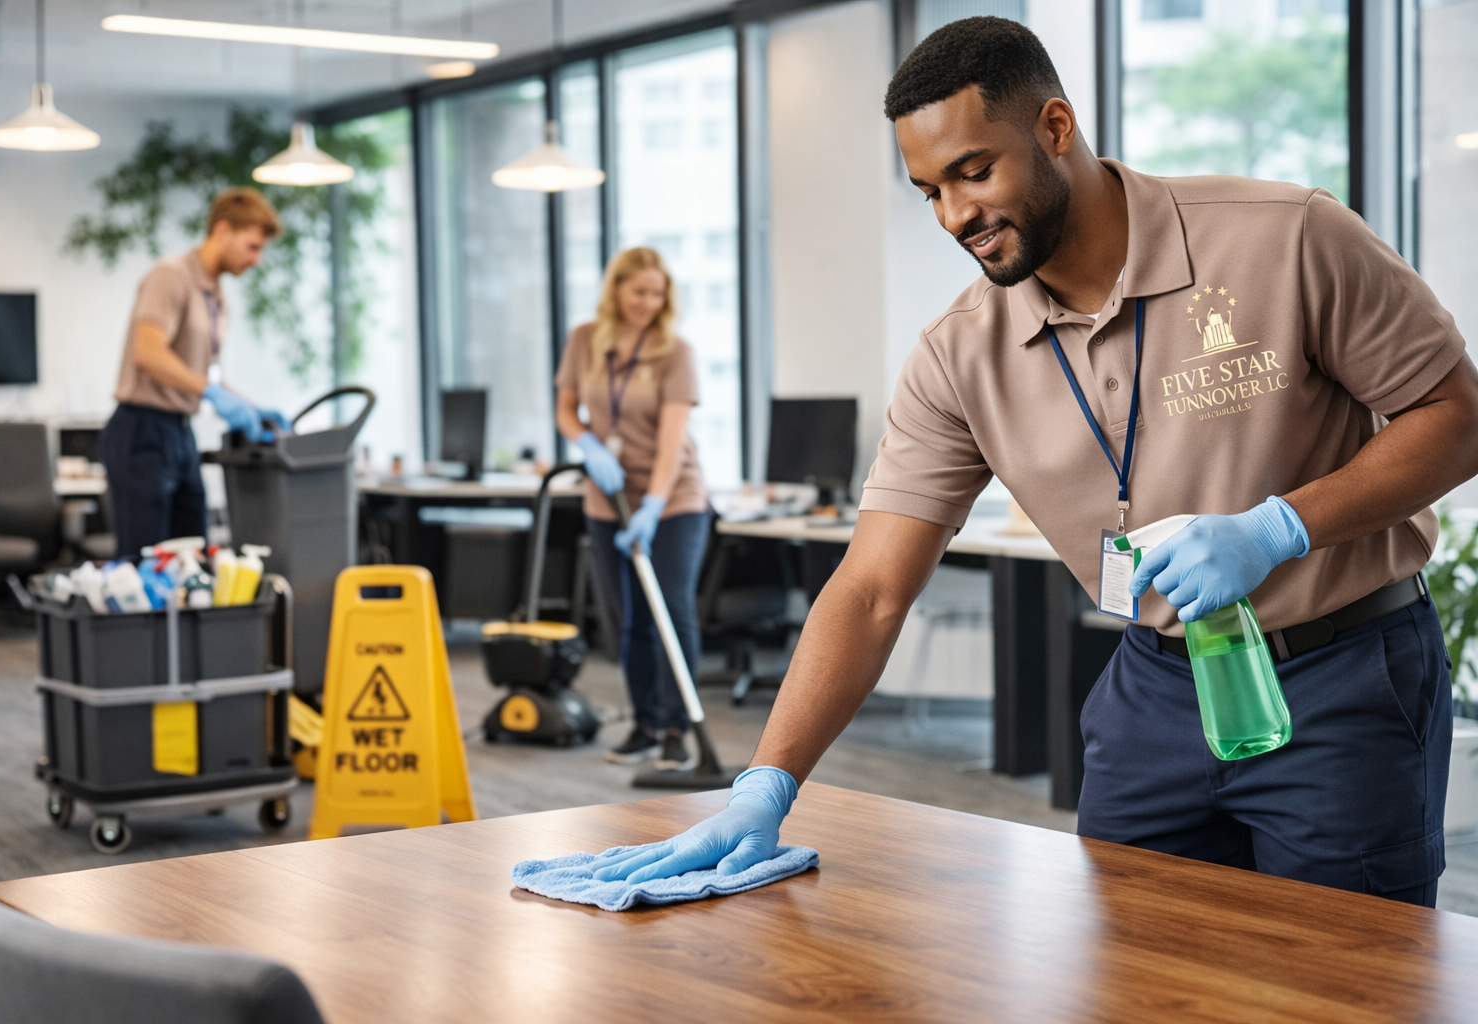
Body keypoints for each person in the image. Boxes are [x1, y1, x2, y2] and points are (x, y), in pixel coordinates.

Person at [590, 17, 1478, 903]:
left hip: (1340, 677)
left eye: (974, 171)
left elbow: (1457, 417)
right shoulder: (960, 355)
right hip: (1154, 687)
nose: (955, 215)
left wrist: (1281, 528)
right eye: (929, 190)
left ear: (1056, 127)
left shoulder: (1286, 238)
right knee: (1139, 982)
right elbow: (870, 587)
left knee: (1347, 984)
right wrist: (767, 782)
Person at [556, 247, 711, 770]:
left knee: (672, 609)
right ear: (616, 290)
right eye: (638, 291)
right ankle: (643, 725)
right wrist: (587, 444)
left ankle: (676, 730)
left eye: (657, 292)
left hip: (674, 499)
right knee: (630, 620)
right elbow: (564, 408)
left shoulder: (675, 351)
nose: (648, 302)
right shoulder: (584, 340)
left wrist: (655, 505)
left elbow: (672, 442)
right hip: (608, 496)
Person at [101, 187, 291, 559]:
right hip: (142, 431)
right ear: (223, 231)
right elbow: (149, 352)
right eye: (253, 247)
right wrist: (211, 392)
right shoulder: (171, 277)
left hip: (179, 433)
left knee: (193, 557)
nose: (257, 260)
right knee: (146, 562)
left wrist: (249, 406)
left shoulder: (216, 296)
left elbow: (205, 373)